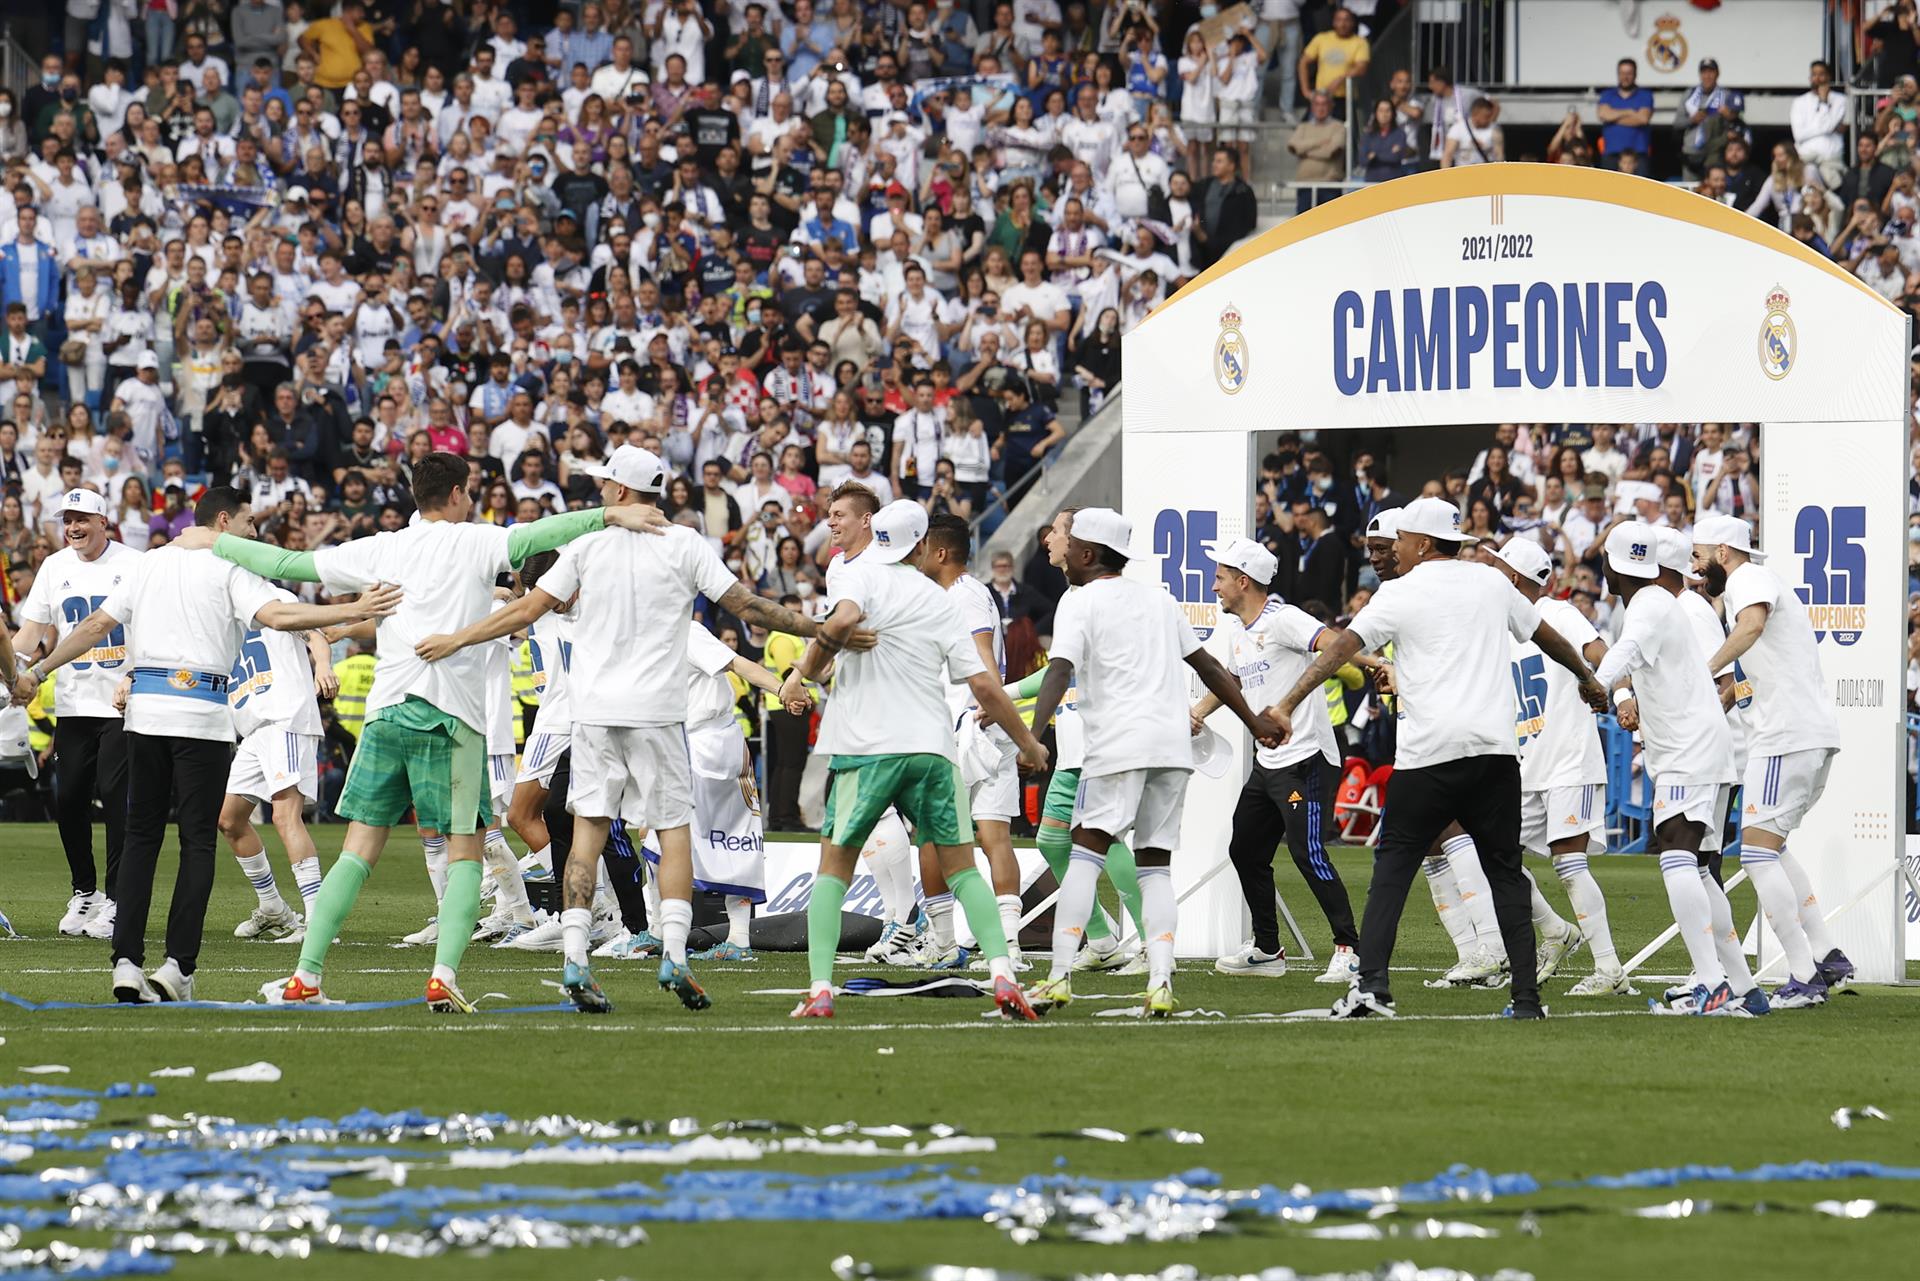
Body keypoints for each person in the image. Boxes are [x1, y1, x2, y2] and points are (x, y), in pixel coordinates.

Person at [203, 452, 672, 1011]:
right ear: (455, 493)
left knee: (357, 850)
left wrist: (216, 542)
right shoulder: (475, 541)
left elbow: (291, 562)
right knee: (467, 850)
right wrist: (609, 517)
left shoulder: (384, 546)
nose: (470, 499)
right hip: (452, 718)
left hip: (385, 716)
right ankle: (444, 975)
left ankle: (307, 975)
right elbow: (542, 534)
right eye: (469, 491)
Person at [414, 446, 827, 1014]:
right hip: (658, 713)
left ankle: (577, 958)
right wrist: (819, 628)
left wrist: (457, 637)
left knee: (587, 831)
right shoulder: (685, 545)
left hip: (594, 713)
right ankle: (674, 956)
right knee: (673, 831)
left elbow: (525, 610)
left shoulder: (586, 544)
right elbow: (749, 607)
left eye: (607, 482)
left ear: (623, 491)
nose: (602, 490)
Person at [15, 489, 397, 1004]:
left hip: (146, 715)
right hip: (202, 715)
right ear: (224, 521)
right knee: (196, 841)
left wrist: (37, 670)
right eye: (248, 523)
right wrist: (357, 606)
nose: (254, 534)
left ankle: (126, 963)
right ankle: (178, 968)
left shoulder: (146, 564)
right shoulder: (229, 567)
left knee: (142, 838)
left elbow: (94, 626)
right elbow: (281, 618)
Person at [1270, 497, 1608, 1019]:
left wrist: (1288, 703)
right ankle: (1526, 999)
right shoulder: (1492, 582)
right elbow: (1549, 638)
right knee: (1507, 873)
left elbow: (1339, 650)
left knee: (1393, 870)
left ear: (1422, 544)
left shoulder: (1401, 592)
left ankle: (1372, 989)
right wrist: (1589, 681)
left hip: (1428, 755)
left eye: (1401, 539)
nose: (1395, 548)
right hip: (1495, 754)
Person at [779, 497, 1051, 1021]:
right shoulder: (940, 600)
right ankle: (1002, 975)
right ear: (922, 544)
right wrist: (1028, 742)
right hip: (931, 747)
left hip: (866, 749)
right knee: (962, 867)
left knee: (833, 867)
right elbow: (985, 687)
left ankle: (819, 988)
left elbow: (842, 622)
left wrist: (807, 669)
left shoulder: (858, 578)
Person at [1023, 508, 1285, 1016]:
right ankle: (1160, 983)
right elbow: (1208, 666)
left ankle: (1056, 978)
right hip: (1171, 747)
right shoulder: (1161, 600)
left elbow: (1059, 670)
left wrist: (1034, 738)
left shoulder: (1080, 601)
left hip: (1118, 743)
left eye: (1069, 540)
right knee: (1155, 865)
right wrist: (1254, 724)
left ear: (1087, 553)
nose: (1059, 546)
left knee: (1084, 852)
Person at [1589, 523, 1758, 1017]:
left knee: (1676, 859)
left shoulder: (1650, 605)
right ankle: (1742, 987)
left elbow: (1626, 651)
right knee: (1702, 870)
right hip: (1697, 747)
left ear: (1613, 566)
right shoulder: (1660, 603)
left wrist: (1596, 684)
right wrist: (1617, 692)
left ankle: (1711, 984)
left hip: (1690, 750)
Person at [1693, 514, 1855, 999]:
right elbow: (1753, 666)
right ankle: (1826, 955)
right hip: (1803, 733)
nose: (1697, 568)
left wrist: (1706, 670)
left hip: (1785, 736)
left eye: (1700, 556)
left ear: (1724, 552)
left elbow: (1752, 626)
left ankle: (1804, 976)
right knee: (1773, 847)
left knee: (1757, 853)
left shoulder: (1748, 579)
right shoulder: (1759, 581)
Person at [1194, 538, 1364, 984]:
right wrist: (1197, 713)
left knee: (1308, 853)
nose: (1215, 587)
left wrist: (1373, 663)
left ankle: (1350, 949)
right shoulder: (1237, 631)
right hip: (1269, 763)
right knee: (1245, 849)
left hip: (1305, 758)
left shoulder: (1284, 619)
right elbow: (1230, 679)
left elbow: (1337, 644)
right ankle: (1269, 949)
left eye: (1220, 578)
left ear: (1243, 581)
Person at [1487, 538, 1629, 995]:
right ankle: (1555, 930)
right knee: (1496, 856)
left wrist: (1616, 695)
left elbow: (1600, 653)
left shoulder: (1559, 613)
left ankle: (1608, 968)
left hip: (1568, 758)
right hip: (1523, 764)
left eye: (1497, 567)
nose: (1491, 574)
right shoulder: (1498, 626)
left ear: (1512, 578)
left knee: (1570, 863)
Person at [14, 489, 138, 940]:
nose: (72, 527)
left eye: (82, 518)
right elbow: (30, 633)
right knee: (68, 800)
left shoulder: (134, 563)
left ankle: (118, 899)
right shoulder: (54, 566)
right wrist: (9, 669)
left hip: (123, 702)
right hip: (73, 702)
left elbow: (151, 625)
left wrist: (137, 674)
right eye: (67, 519)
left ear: (104, 521)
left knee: (114, 796)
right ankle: (84, 891)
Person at [909, 513, 1028, 968]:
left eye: (922, 547)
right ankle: (1008, 946)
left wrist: (989, 702)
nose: (916, 554)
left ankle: (944, 942)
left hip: (968, 728)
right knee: (992, 834)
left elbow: (982, 660)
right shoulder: (955, 596)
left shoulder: (966, 597)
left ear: (940, 552)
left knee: (937, 836)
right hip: (982, 724)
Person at [219, 552, 340, 945]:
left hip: (284, 716)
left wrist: (322, 664)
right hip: (252, 729)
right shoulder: (222, 615)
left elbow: (316, 635)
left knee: (286, 817)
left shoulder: (278, 599)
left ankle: (319, 921)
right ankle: (273, 907)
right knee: (230, 821)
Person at [1296, 5, 1369, 119]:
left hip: (1344, 99)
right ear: (1333, 22)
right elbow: (1303, 62)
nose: (1343, 24)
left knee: (1342, 133)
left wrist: (1340, 79)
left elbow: (1361, 68)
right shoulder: (1322, 38)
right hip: (1321, 97)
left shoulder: (1360, 42)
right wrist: (1306, 91)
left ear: (1352, 23)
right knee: (1307, 131)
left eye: (1346, 20)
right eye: (1339, 20)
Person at [1595, 58, 1653, 170]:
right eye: (1622, 73)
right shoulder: (1607, 94)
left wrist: (1613, 117)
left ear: (1635, 75)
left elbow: (1643, 118)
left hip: (1638, 155)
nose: (1625, 77)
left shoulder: (1645, 95)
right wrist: (1629, 112)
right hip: (1611, 154)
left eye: (1629, 73)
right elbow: (1603, 114)